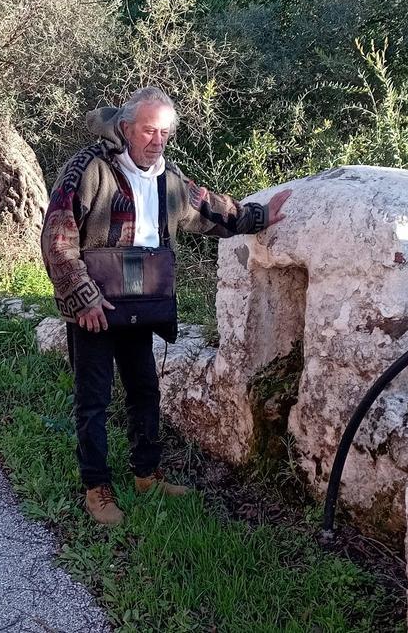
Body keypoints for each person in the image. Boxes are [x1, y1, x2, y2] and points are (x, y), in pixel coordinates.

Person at [41, 86, 290, 525]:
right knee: (93, 399)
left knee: (144, 390)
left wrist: (261, 216)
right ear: (125, 128)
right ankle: (96, 488)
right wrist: (81, 296)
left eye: (164, 133)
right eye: (148, 131)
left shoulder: (167, 177)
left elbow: (212, 211)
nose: (157, 140)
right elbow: (58, 238)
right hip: (95, 301)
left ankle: (146, 475)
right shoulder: (88, 168)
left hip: (141, 299)